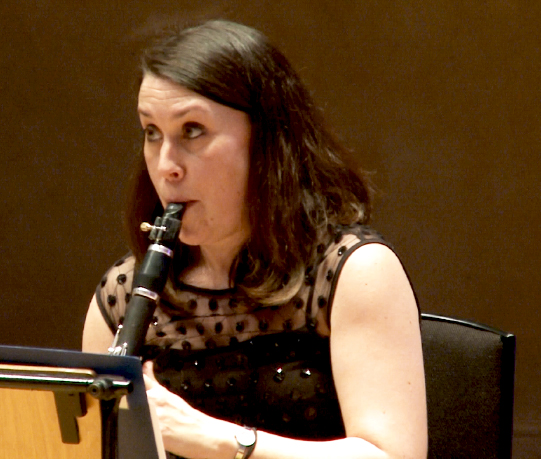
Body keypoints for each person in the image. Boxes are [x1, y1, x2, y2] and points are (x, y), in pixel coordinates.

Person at [83, 19, 427, 459]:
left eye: (192, 130)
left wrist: (218, 441)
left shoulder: (353, 274)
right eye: (152, 132)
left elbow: (395, 456)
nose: (166, 165)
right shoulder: (122, 296)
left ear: (265, 141)